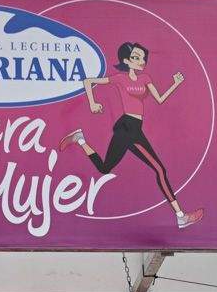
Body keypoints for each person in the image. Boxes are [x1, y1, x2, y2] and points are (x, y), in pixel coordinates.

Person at [60, 41, 205, 230]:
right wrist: (92, 103)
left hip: (135, 128)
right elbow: (88, 81)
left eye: (143, 58)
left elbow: (160, 99)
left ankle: (80, 139)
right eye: (136, 58)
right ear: (127, 61)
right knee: (160, 170)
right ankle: (180, 216)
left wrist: (175, 84)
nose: (141, 61)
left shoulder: (145, 78)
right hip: (127, 127)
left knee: (105, 168)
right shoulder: (120, 79)